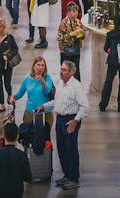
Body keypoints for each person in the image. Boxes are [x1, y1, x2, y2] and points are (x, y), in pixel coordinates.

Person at [45, 60, 88, 190]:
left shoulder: (76, 86)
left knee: (71, 150)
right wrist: (44, 106)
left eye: (64, 70)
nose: (61, 72)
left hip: (71, 120)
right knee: (62, 149)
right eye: (61, 69)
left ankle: (74, 178)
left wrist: (75, 121)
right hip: (60, 119)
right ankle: (67, 175)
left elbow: (85, 107)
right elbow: (56, 101)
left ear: (71, 72)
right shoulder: (60, 84)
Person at [0, 121, 32, 198]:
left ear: (4, 136)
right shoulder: (22, 156)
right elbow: (28, 178)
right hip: (16, 193)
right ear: (17, 137)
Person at [57, 2, 85, 81]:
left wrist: (81, 34)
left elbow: (82, 37)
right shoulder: (63, 23)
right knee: (65, 72)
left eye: (77, 11)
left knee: (76, 72)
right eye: (74, 11)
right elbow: (60, 38)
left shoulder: (78, 22)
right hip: (66, 51)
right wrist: (71, 34)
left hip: (76, 50)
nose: (76, 13)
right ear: (68, 12)